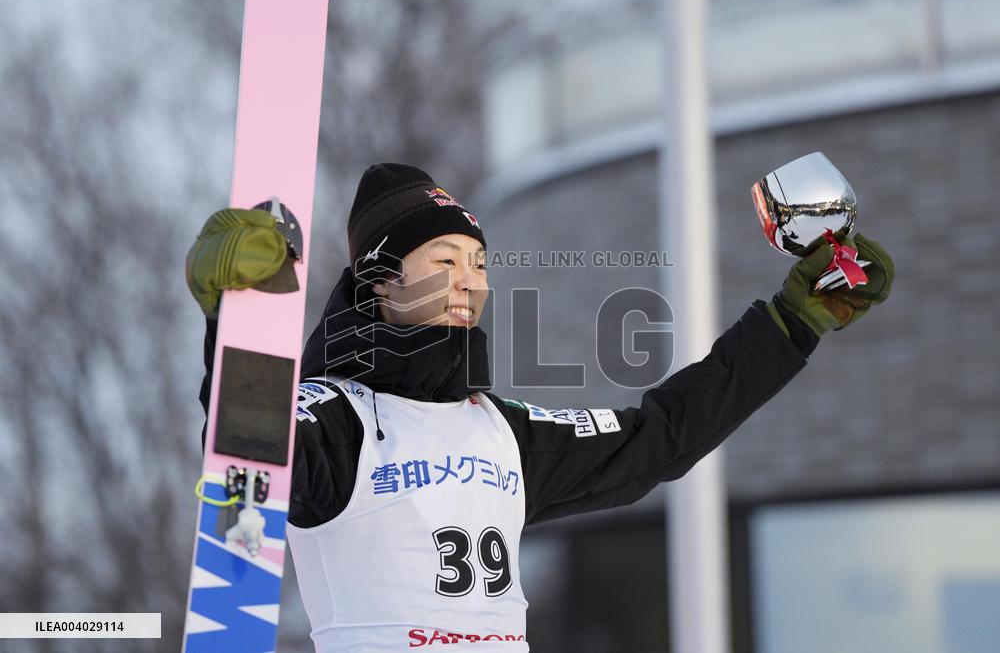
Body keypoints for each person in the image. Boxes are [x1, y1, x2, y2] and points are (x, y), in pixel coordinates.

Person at [186, 163, 894, 651]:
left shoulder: (502, 431)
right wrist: (235, 321)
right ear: (379, 282)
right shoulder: (334, 418)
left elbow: (662, 437)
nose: (470, 281)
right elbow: (249, 441)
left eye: (481, 263)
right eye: (443, 261)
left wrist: (792, 323)